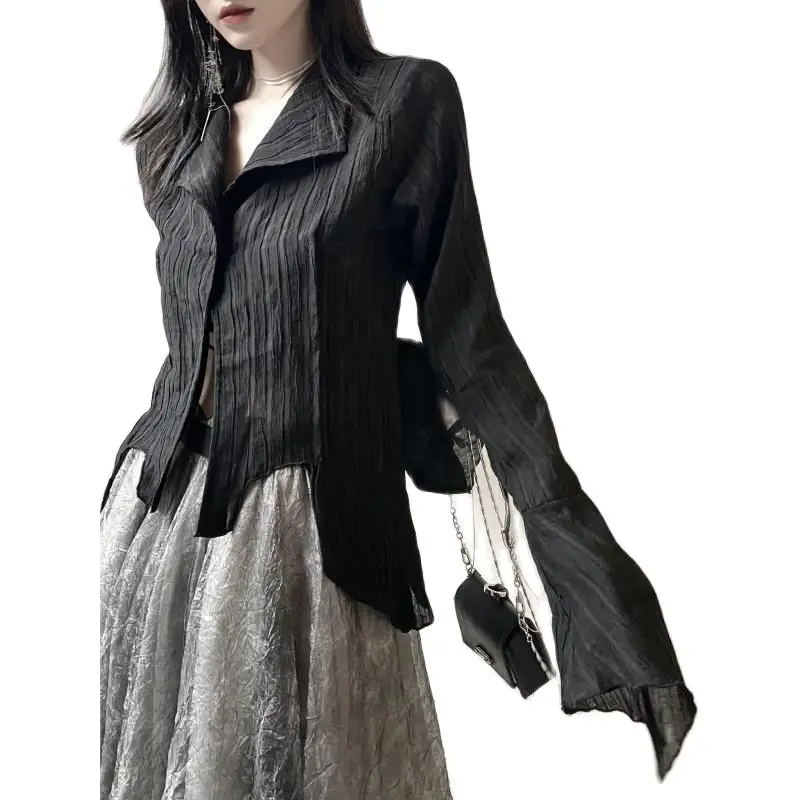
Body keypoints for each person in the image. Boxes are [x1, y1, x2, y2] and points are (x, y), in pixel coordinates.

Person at [99, 1, 697, 798]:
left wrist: (598, 589)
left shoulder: (403, 106)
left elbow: (470, 338)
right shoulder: (171, 139)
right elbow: (237, 324)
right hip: (158, 518)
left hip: (311, 532)